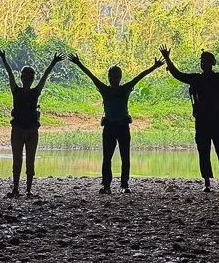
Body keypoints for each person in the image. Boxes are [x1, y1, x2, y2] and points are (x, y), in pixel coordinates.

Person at [70, 54, 164, 194]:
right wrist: (78, 63)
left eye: (116, 75)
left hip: (119, 127)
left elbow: (139, 76)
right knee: (110, 157)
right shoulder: (116, 89)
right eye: (112, 75)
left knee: (121, 157)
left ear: (118, 77)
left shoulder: (114, 89)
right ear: (110, 77)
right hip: (113, 127)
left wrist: (154, 67)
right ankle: (109, 185)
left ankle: (120, 185)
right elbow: (91, 76)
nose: (114, 78)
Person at [160, 43, 219, 193]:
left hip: (207, 121)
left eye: (205, 61)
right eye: (204, 61)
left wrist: (168, 59)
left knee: (213, 151)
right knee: (212, 151)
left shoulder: (199, 79)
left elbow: (178, 74)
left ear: (210, 63)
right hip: (210, 121)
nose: (204, 64)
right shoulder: (216, 78)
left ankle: (216, 181)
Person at [0, 48, 63, 198]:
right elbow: (10, 74)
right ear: (24, 77)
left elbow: (44, 76)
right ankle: (20, 189)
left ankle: (25, 189)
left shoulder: (25, 91)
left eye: (29, 76)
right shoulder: (24, 91)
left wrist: (52, 64)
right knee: (19, 160)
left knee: (27, 160)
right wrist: (4, 60)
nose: (27, 78)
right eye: (26, 75)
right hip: (22, 129)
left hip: (28, 130)